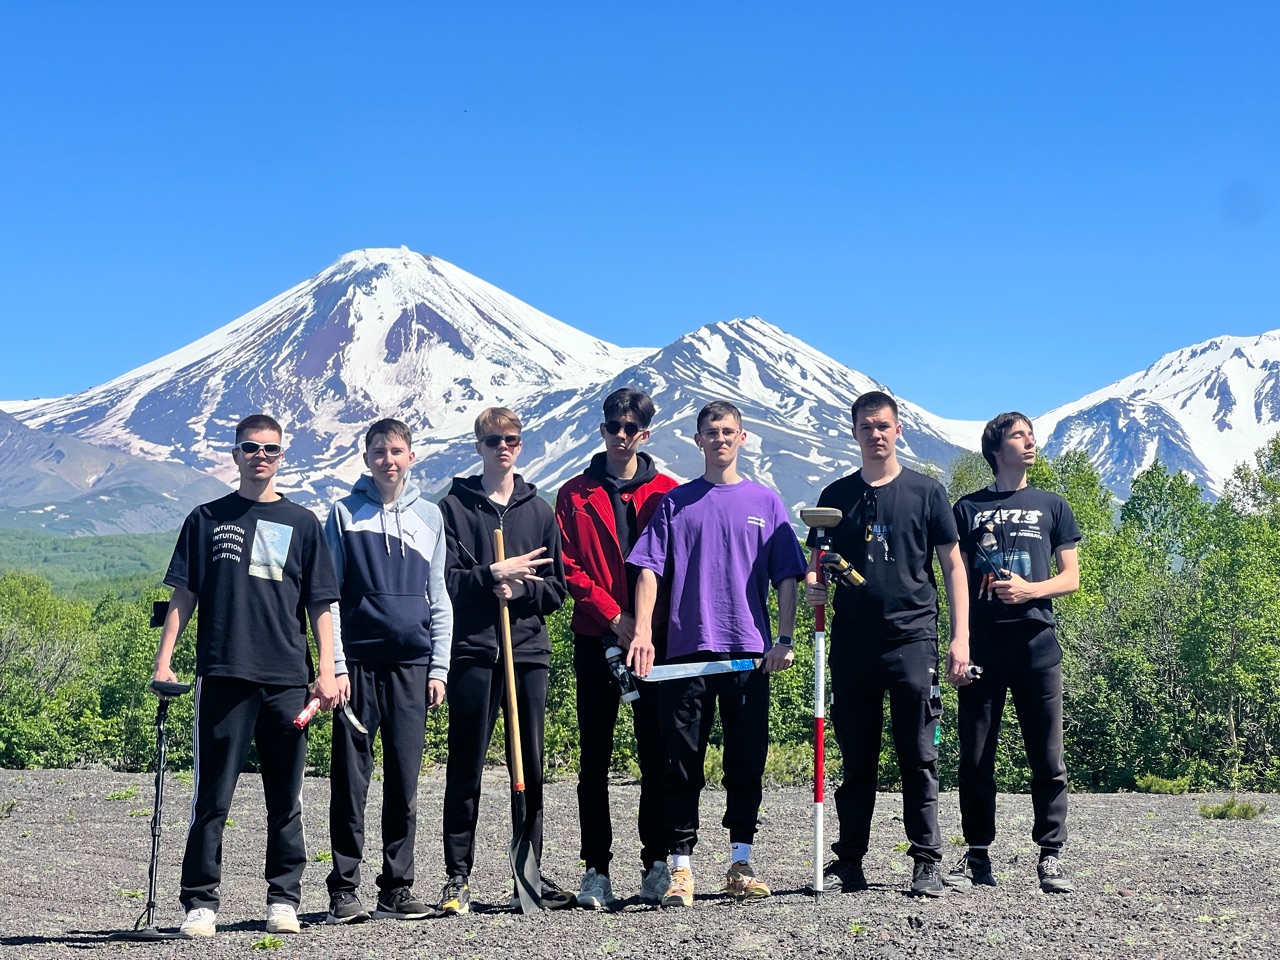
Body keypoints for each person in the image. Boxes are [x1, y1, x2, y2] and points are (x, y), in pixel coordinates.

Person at [152, 414, 341, 938]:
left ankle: (283, 899)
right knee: (212, 797)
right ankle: (200, 903)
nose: (261, 456)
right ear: (235, 454)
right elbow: (184, 594)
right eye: (251, 447)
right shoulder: (206, 518)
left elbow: (321, 604)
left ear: (282, 456)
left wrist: (327, 670)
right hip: (223, 673)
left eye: (270, 449)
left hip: (287, 679)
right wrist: (165, 659)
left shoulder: (303, 523)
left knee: (287, 798)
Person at [628, 400, 806, 908]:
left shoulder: (766, 502)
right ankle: (681, 868)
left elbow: (787, 576)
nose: (720, 439)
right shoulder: (676, 503)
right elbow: (649, 570)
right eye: (711, 431)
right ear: (698, 439)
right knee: (681, 763)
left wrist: (785, 639)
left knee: (745, 762)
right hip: (685, 654)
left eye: (728, 431)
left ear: (742, 438)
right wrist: (642, 632)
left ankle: (740, 863)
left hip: (749, 654)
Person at [803, 390, 969, 898]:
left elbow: (953, 566)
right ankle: (849, 861)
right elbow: (816, 565)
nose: (875, 434)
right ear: (854, 432)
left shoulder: (927, 492)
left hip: (913, 640)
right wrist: (814, 586)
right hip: (853, 644)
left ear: (898, 430)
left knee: (919, 755)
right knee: (857, 760)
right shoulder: (836, 495)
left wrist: (960, 637)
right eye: (866, 426)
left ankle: (926, 861)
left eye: (883, 426)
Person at [436, 407, 571, 914]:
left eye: (511, 439)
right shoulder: (453, 508)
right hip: (473, 651)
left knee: (529, 764)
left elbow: (557, 589)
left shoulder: (540, 511)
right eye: (493, 440)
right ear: (479, 447)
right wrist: (490, 576)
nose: (503, 448)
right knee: (465, 764)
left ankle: (528, 873)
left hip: (527, 652)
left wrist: (521, 590)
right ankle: (457, 877)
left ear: (520, 444)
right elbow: (444, 583)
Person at [323, 418, 454, 923]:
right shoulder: (343, 513)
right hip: (356, 665)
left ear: (411, 457)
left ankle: (397, 888)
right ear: (366, 458)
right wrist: (335, 664)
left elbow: (438, 597)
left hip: (412, 666)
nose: (388, 460)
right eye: (379, 451)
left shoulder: (430, 516)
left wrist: (438, 667)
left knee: (404, 780)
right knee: (350, 780)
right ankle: (344, 890)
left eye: (397, 451)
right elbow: (328, 597)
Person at [554, 387, 678, 908]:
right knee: (594, 759)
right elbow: (568, 566)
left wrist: (641, 625)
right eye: (613, 426)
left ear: (645, 434)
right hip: (595, 637)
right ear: (602, 429)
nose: (621, 435)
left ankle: (656, 863)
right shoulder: (574, 493)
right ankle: (596, 869)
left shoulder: (669, 492)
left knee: (657, 754)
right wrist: (613, 616)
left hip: (653, 641)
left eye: (631, 428)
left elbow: (676, 565)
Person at [948, 412, 1081, 893]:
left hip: (1037, 645)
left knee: (1047, 756)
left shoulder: (1053, 505)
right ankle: (977, 855)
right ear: (996, 448)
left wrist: (1029, 590)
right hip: (982, 646)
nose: (1030, 442)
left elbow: (1071, 578)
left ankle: (1051, 855)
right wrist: (959, 640)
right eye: (1019, 436)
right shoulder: (967, 508)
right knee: (975, 756)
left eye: (1031, 435)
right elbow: (957, 579)